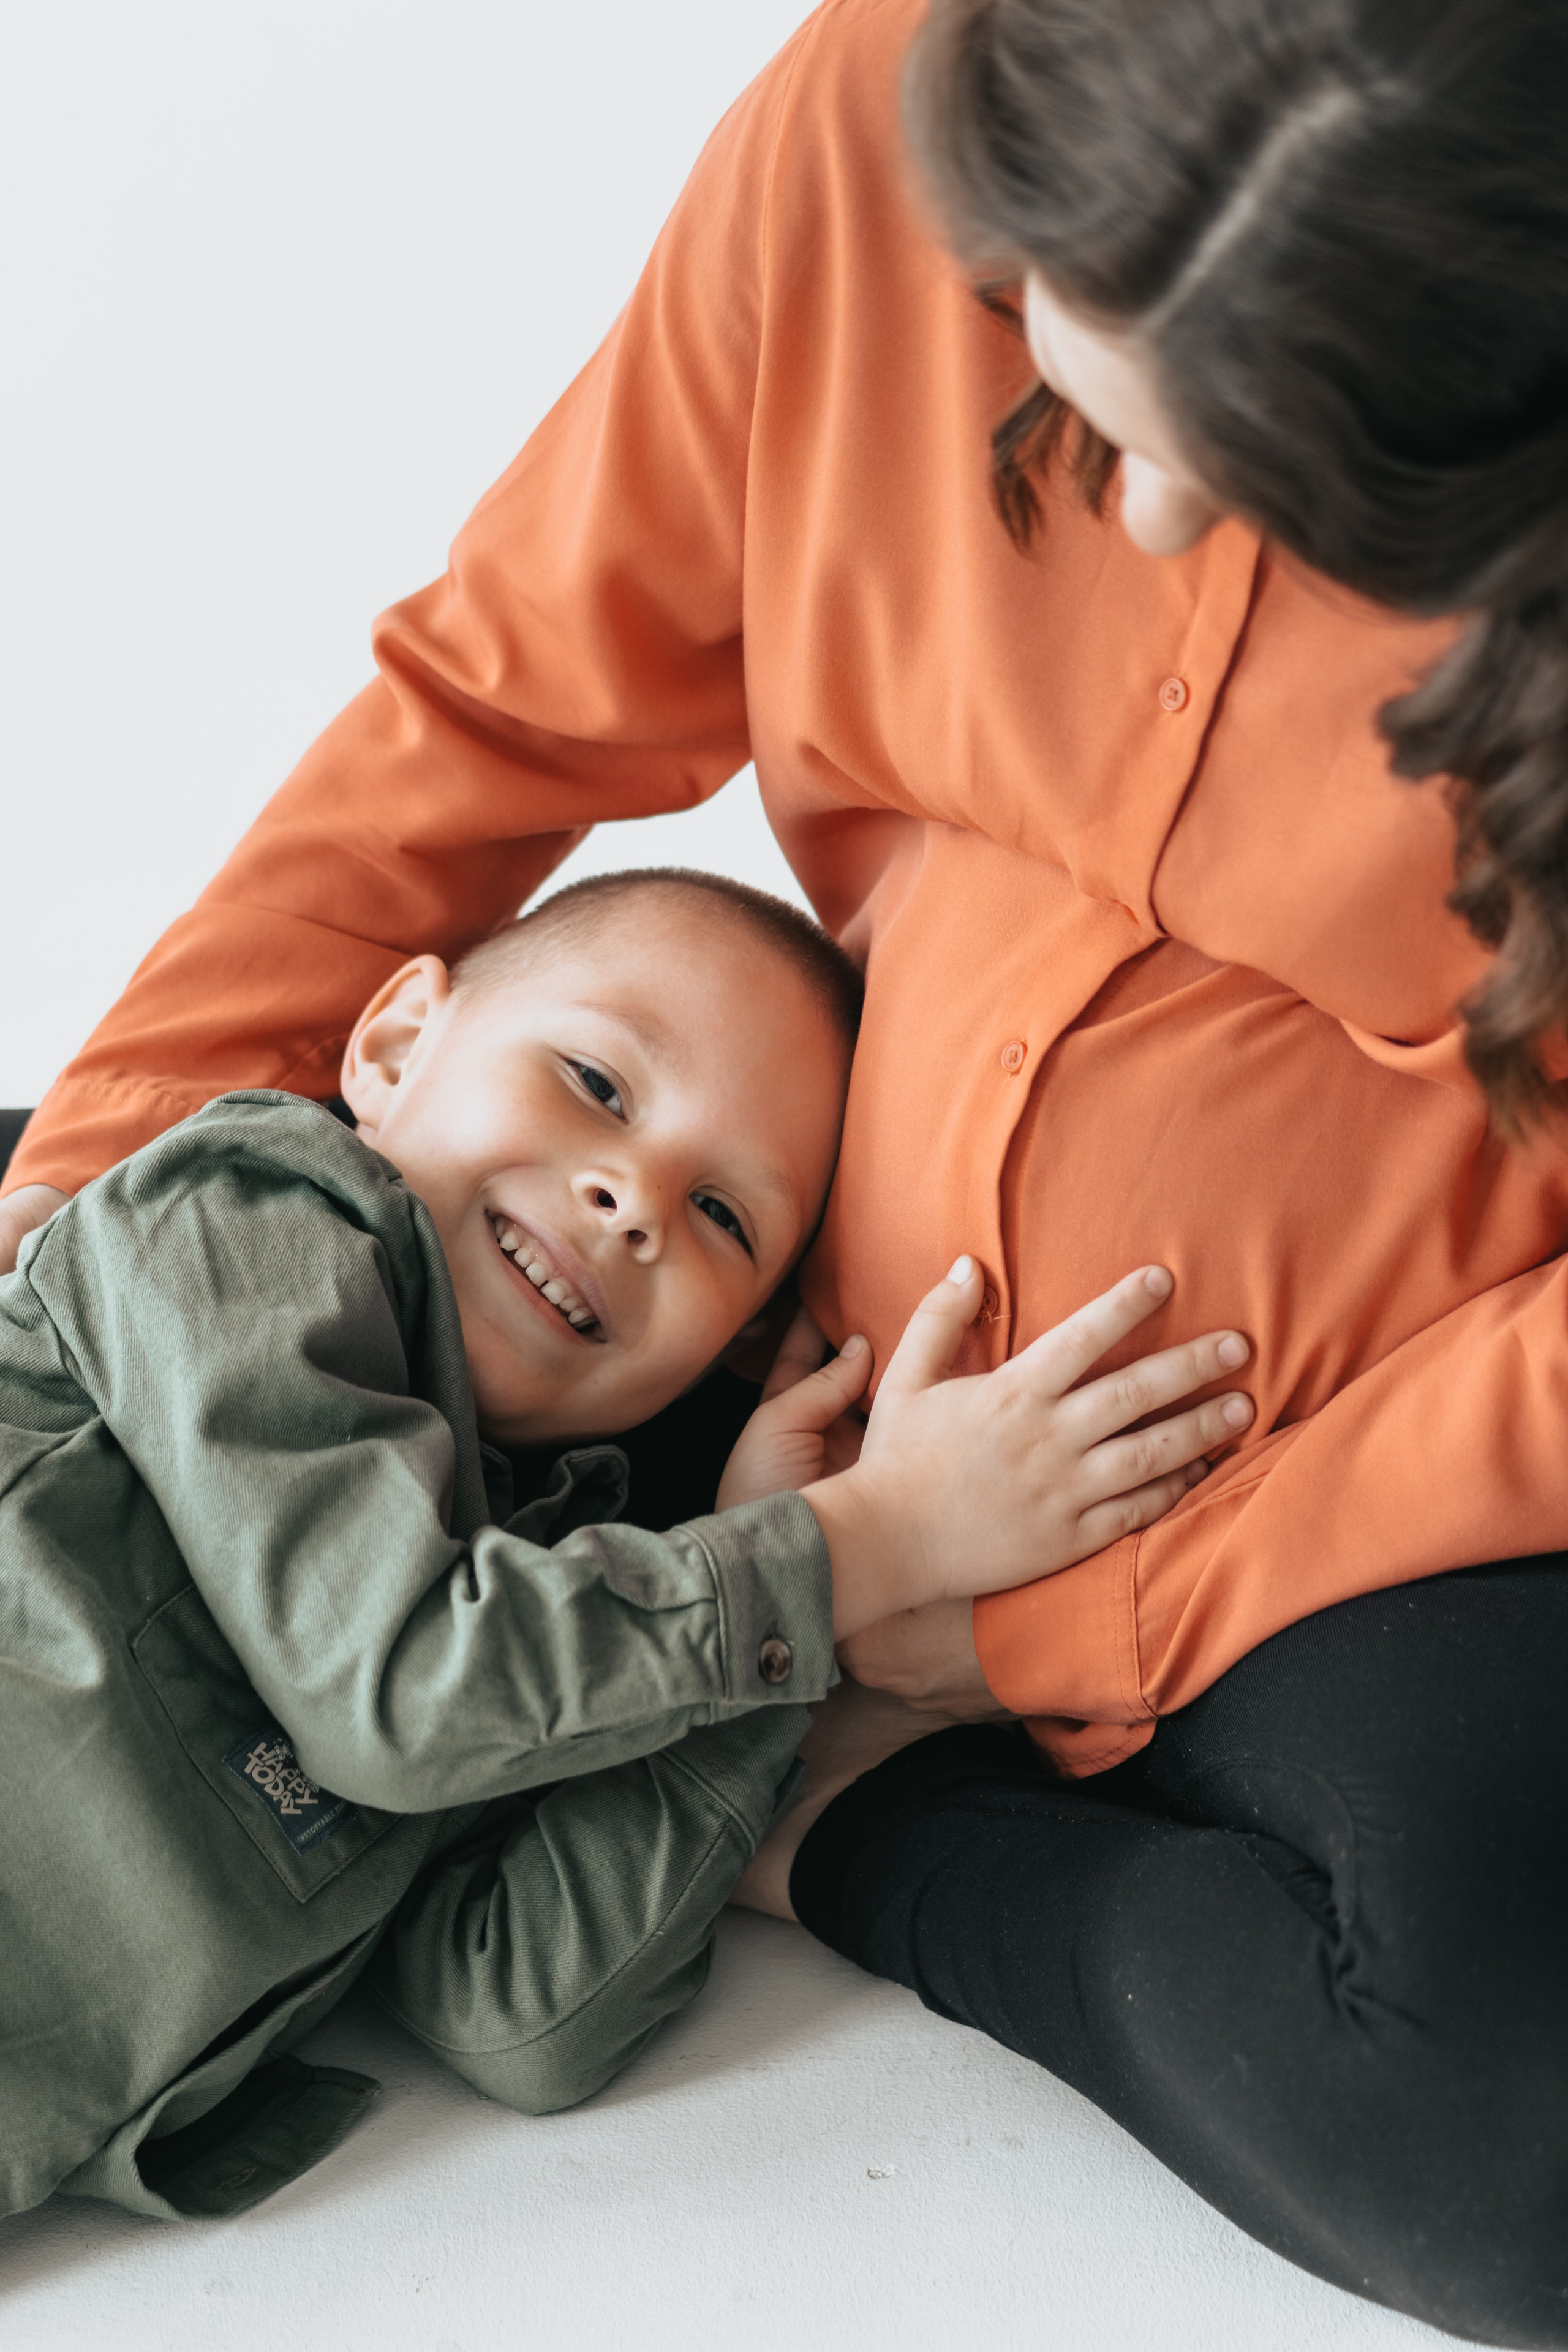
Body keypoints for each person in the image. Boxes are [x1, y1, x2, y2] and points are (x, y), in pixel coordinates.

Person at [7, 0, 1568, 2332]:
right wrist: (93, 1188)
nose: (1139, 521)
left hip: (1305, 1489)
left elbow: (514, 1979)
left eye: (1265, 473)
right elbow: (502, 704)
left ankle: (858, 1817)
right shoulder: (879, 118)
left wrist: (1004, 1612)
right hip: (719, 1371)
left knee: (1495, 2149)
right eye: (1071, 367)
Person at [0, 864, 1250, 2223]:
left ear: (733, 1350)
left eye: (724, 1216)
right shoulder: (238, 1214)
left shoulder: (554, 1596)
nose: (636, 1198)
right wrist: (862, 1541)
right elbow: (403, 1693)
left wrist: (789, 1627)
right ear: (397, 1045)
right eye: (596, 1083)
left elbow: (524, 2007)